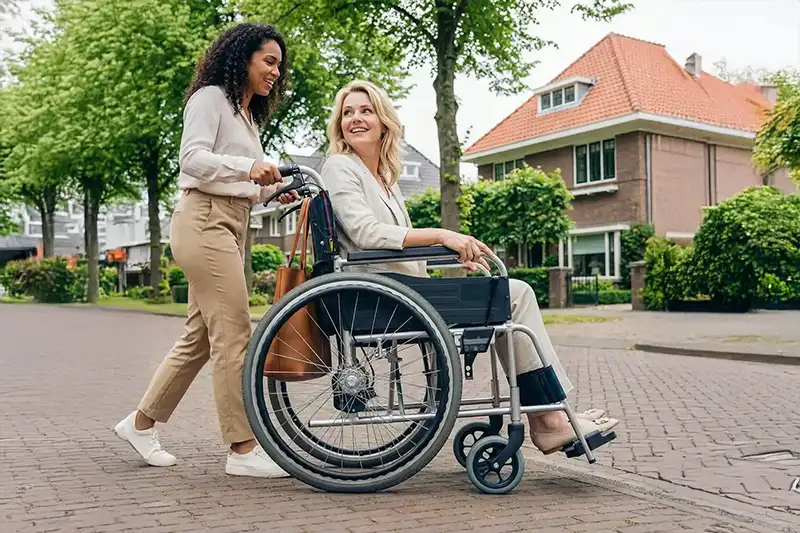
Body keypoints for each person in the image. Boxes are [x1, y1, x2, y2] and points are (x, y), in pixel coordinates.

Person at [314, 80, 619, 455]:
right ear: (339, 124)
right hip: (379, 296)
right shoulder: (340, 166)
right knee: (516, 294)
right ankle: (550, 420)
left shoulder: (384, 179)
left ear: (384, 122)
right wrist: (444, 234)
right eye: (347, 113)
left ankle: (550, 415)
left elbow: (397, 242)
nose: (355, 118)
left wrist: (449, 252)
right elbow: (366, 233)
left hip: (402, 292)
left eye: (366, 110)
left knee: (505, 296)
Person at [114, 23, 297, 478]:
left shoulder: (247, 116)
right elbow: (192, 159)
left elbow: (240, 184)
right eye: (269, 61)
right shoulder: (210, 98)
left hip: (231, 222)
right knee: (234, 331)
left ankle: (140, 424)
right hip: (204, 221)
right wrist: (249, 166)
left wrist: (273, 192)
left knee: (199, 337)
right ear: (242, 58)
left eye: (279, 65)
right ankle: (241, 448)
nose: (276, 72)